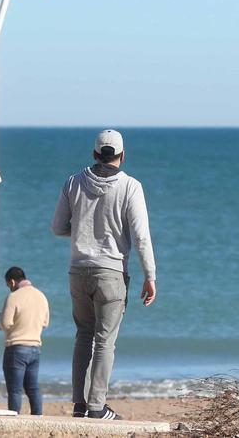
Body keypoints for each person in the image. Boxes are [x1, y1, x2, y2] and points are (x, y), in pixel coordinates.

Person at [51, 129, 158, 420]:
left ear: (95, 154)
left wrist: (85, 228)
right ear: (122, 156)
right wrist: (150, 275)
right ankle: (97, 406)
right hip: (110, 271)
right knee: (104, 340)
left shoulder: (73, 182)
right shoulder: (131, 186)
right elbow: (141, 237)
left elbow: (58, 227)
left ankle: (79, 404)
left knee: (83, 335)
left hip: (78, 269)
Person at [0, 266, 50, 415]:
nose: (9, 288)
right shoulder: (41, 296)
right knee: (33, 388)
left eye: (8, 285)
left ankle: (14, 420)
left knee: (14, 390)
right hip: (35, 348)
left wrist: (0, 320)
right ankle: (37, 418)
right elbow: (45, 322)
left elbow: (5, 323)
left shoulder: (13, 297)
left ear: (12, 281)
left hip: (16, 348)